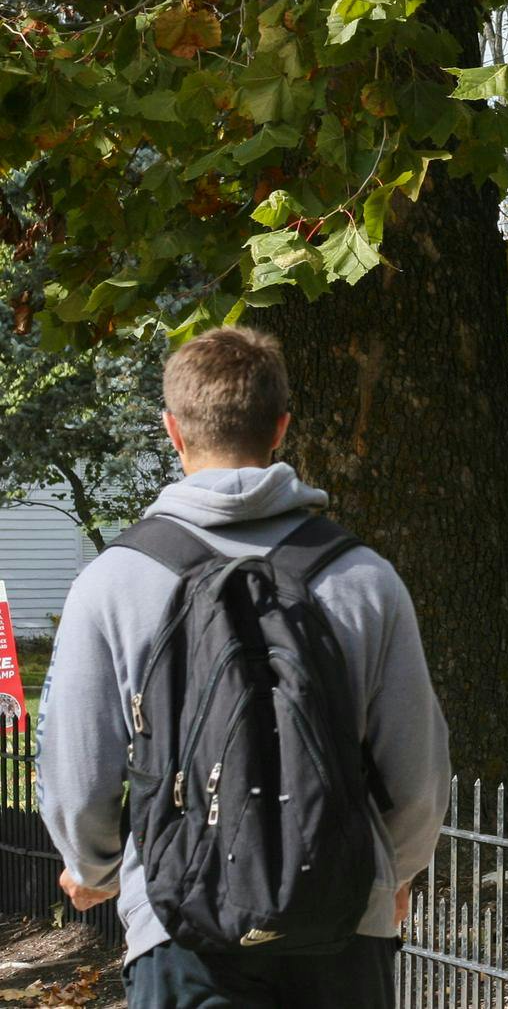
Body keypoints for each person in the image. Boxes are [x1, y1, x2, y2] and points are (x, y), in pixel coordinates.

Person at [37, 326, 452, 1008]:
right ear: (281, 427)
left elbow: (79, 768)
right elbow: (418, 771)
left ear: (173, 429)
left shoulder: (113, 581)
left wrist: (95, 869)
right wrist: (390, 874)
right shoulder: (363, 578)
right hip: (344, 923)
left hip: (179, 924)